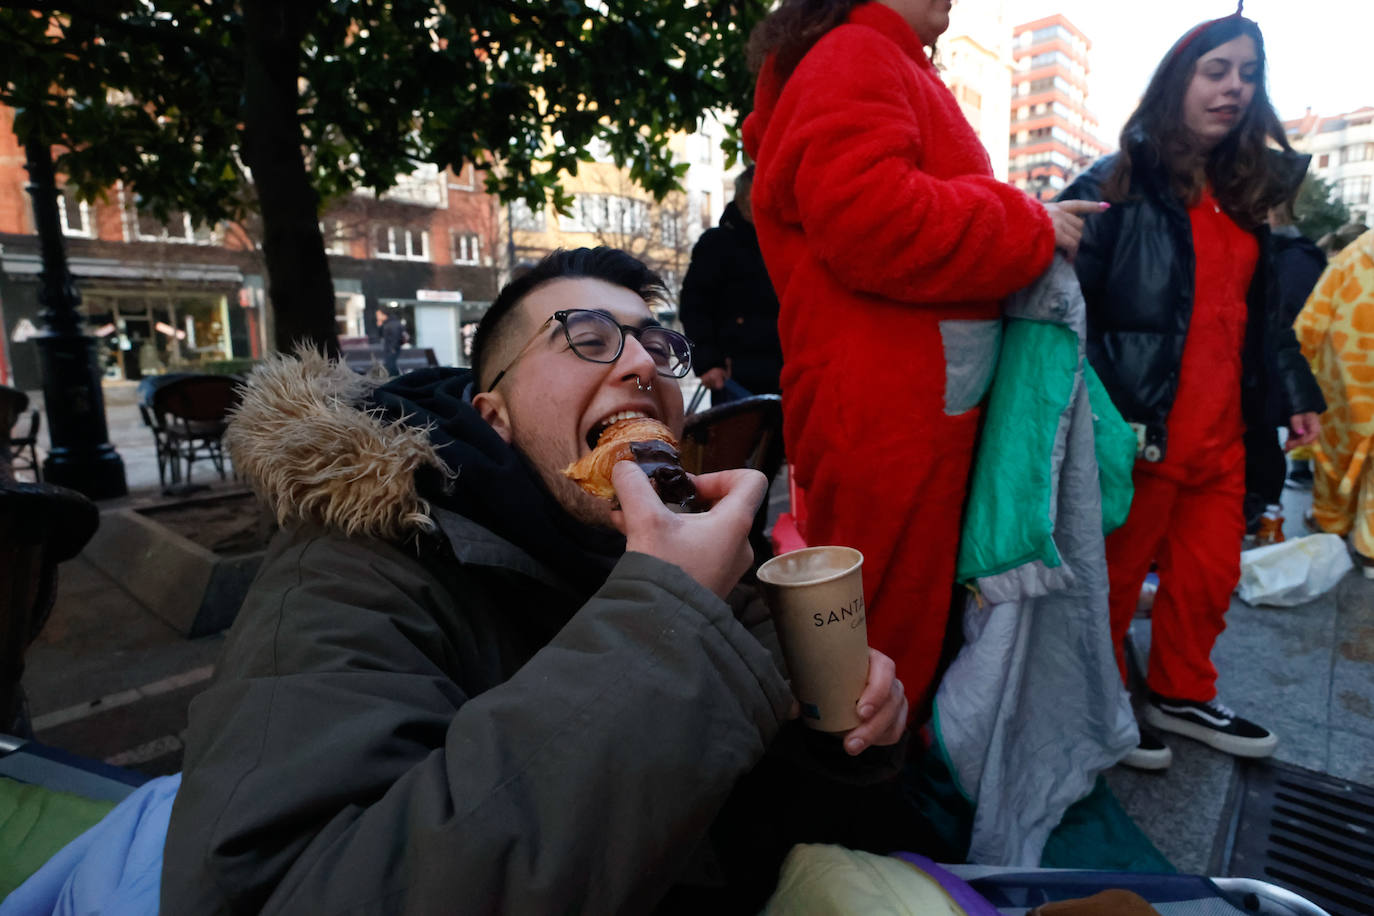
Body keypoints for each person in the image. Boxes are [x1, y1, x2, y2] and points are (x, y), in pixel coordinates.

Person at [162, 248, 910, 913]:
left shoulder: (696, 557)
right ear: (495, 417)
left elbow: (785, 844)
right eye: (588, 341)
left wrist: (842, 738)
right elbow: (282, 889)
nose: (643, 365)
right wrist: (665, 620)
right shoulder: (352, 572)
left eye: (659, 346)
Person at [741, 0, 1101, 717]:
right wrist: (1028, 221)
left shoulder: (876, 58)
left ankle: (873, 785)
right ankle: (864, 800)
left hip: (901, 406)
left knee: (887, 620)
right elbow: (871, 217)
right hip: (887, 412)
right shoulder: (856, 54)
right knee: (880, 634)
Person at [1059, 9, 1324, 771]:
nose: (1234, 88)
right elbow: (1061, 319)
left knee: (1208, 579)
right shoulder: (1112, 186)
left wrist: (1295, 392)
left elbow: (1265, 320)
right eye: (1217, 71)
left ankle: (1180, 691)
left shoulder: (1245, 199)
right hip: (1138, 438)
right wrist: (1104, 418)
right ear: (1179, 82)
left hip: (1225, 440)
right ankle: (1097, 697)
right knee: (1109, 585)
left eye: (1248, 75)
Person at [1242, 183, 1327, 542]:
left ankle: (1261, 518)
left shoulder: (1286, 256)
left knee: (1260, 453)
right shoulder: (1296, 254)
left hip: (1260, 384)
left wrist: (1296, 398)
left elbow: (1277, 326)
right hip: (1262, 382)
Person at [1294, 228, 1374, 576]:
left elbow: (1311, 321)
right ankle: (1370, 547)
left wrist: (1296, 378)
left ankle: (1331, 521)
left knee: (1336, 462)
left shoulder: (1351, 258)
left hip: (1347, 389)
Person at [680, 165, 783, 407]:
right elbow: (695, 306)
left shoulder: (783, 241)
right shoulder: (716, 244)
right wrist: (708, 363)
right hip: (736, 375)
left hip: (787, 370)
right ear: (742, 199)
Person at [376, 306, 406, 376]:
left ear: (384, 314)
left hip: (392, 349)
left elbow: (395, 337)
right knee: (389, 366)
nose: (377, 317)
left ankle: (397, 380)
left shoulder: (392, 323)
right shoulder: (387, 323)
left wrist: (392, 348)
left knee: (391, 367)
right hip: (390, 349)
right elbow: (380, 335)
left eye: (378, 315)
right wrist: (379, 325)